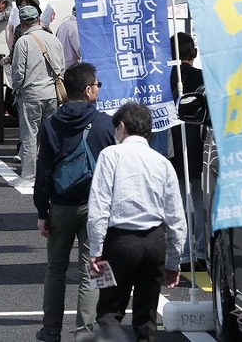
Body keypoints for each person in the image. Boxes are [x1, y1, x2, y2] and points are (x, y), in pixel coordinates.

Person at [88, 103, 186, 342]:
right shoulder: (162, 162)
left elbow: (99, 207)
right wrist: (173, 262)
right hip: (154, 243)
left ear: (121, 127)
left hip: (120, 242)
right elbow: (176, 217)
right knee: (146, 317)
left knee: (109, 312)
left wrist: (95, 250)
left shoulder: (110, 155)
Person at [32, 62, 115, 342]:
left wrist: (42, 211)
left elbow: (43, 171)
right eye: (97, 86)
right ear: (89, 90)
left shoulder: (51, 124)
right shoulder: (106, 124)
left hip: (61, 205)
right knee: (92, 269)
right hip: (96, 208)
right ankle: (86, 333)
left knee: (55, 268)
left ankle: (51, 330)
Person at [10, 5, 65, 188]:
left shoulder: (23, 42)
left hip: (31, 94)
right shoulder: (53, 39)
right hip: (52, 94)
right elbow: (61, 68)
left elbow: (18, 73)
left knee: (29, 136)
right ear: (39, 19)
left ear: (22, 24)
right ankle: (51, 174)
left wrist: (16, 90)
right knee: (50, 136)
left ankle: (28, 177)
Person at [169, 32, 207, 271]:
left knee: (178, 203)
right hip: (199, 147)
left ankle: (182, 254)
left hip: (172, 147)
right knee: (201, 201)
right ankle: (202, 253)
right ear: (194, 53)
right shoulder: (203, 78)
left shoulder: (164, 79)